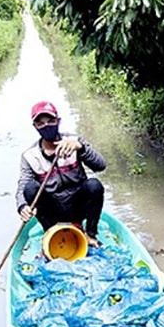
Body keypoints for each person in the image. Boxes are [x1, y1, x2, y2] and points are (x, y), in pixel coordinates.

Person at [16, 101, 106, 247]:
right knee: (30, 188)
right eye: (41, 124)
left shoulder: (74, 141)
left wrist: (81, 148)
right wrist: (22, 207)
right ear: (35, 127)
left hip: (78, 205)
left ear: (58, 121)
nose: (47, 126)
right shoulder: (30, 155)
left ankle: (90, 234)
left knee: (94, 185)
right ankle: (51, 233)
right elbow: (23, 186)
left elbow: (100, 165)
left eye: (51, 121)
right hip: (53, 210)